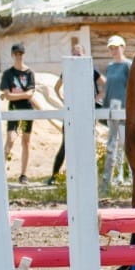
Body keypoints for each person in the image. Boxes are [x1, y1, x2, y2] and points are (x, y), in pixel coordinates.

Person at [46, 43, 104, 185]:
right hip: (71, 112)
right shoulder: (68, 69)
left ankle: (89, 176)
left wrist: (95, 100)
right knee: (66, 145)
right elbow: (56, 88)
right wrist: (64, 101)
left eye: (79, 54)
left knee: (88, 144)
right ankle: (54, 176)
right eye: (74, 54)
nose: (77, 56)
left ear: (84, 54)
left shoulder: (91, 69)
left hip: (86, 112)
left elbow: (104, 85)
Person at [0, 42, 36, 184]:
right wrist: (23, 94)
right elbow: (8, 95)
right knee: (11, 139)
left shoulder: (29, 73)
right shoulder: (8, 74)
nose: (18, 56)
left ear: (24, 55)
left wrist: (17, 95)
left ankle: (23, 174)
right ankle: (0, 171)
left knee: (26, 141)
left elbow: (31, 93)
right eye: (16, 54)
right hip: (14, 108)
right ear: (12, 55)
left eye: (20, 54)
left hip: (27, 108)